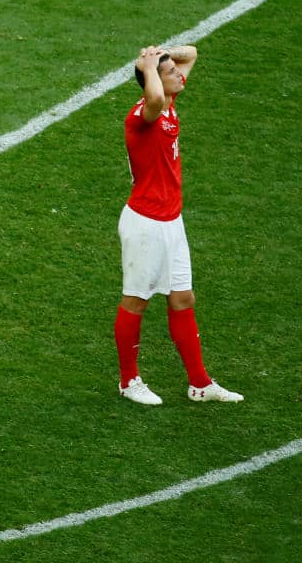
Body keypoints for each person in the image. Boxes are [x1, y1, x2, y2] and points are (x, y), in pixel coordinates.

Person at [114, 44, 243, 406]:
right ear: (155, 80)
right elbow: (153, 94)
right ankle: (129, 381)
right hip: (145, 224)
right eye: (170, 73)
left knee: (183, 298)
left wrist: (163, 53)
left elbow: (193, 53)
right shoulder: (146, 113)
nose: (179, 75)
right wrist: (152, 68)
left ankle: (200, 383)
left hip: (171, 221)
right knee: (136, 301)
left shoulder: (168, 105)